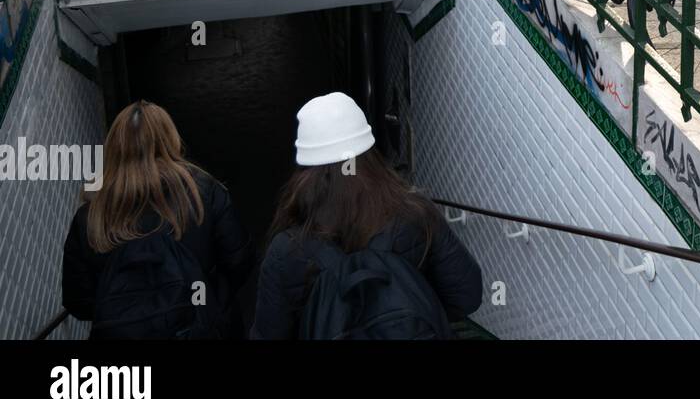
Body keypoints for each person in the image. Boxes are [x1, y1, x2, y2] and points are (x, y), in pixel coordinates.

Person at [251, 93, 483, 339]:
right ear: (370, 152)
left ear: (305, 167)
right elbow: (467, 296)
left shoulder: (287, 251)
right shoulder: (415, 213)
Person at [61, 101, 254, 339]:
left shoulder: (90, 217)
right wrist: (203, 296)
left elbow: (78, 300)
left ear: (113, 147)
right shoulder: (203, 192)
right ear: (169, 139)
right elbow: (239, 262)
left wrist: (129, 314)